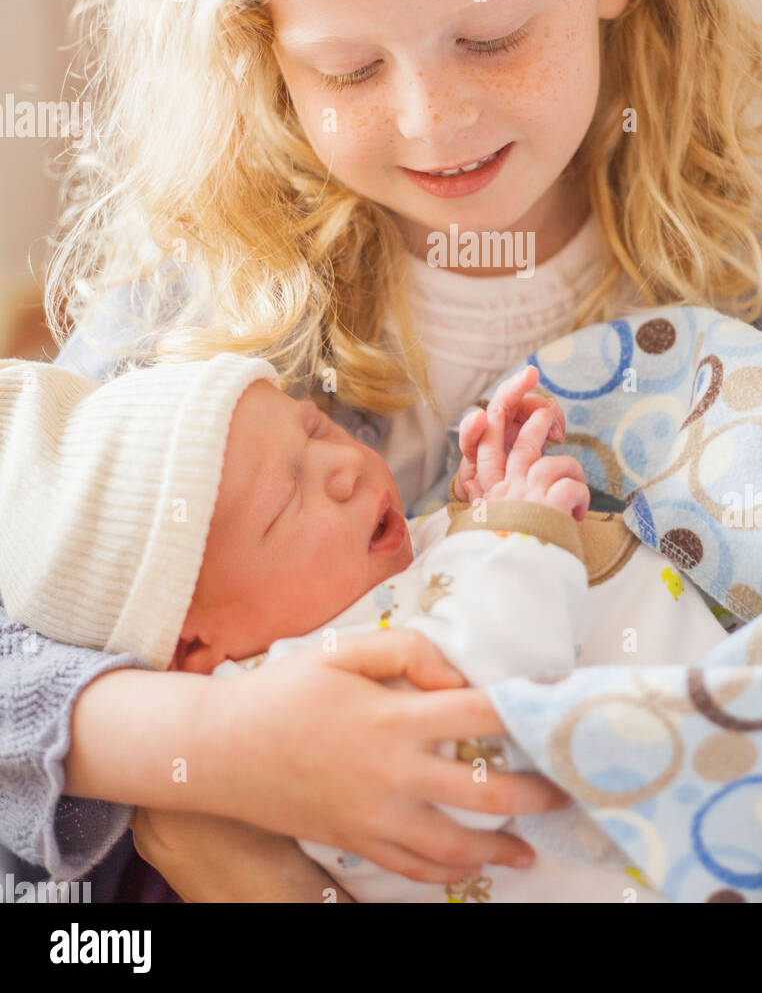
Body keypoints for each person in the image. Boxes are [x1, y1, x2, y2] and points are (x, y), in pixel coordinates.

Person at [1, 0, 762, 903]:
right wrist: (208, 753)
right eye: (347, 65)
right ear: (259, 45)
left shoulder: (727, 277)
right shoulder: (198, 314)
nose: (432, 120)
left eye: (494, 33)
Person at [0, 355, 725, 903]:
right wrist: (516, 536)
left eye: (313, 428)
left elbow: (455, 588)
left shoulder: (368, 578)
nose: (342, 468)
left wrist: (479, 504)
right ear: (195, 649)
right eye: (285, 500)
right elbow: (476, 724)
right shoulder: (295, 693)